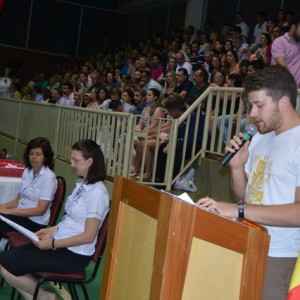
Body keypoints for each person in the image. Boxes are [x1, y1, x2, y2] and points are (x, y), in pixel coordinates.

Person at [197, 65, 300, 300]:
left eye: (259, 105)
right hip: (248, 241)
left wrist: (238, 211)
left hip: (280, 255)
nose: (252, 114)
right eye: (250, 106)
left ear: (283, 102)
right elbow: (244, 198)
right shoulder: (260, 138)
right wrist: (237, 168)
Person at [0, 139, 110, 300]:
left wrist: (52, 243)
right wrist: (51, 230)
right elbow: (72, 221)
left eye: (75, 160)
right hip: (60, 243)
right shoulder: (83, 185)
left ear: (90, 161)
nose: (71, 164)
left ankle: (46, 297)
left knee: (7, 264)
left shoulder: (97, 193)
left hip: (73, 255)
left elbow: (88, 236)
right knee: (4, 262)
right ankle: (43, 298)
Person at [0, 137, 57, 239]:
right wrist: (2, 206)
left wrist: (9, 211)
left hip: (34, 222)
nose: (34, 157)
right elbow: (17, 201)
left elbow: (40, 210)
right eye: (31, 153)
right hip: (20, 215)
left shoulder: (49, 177)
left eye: (38, 154)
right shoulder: (27, 171)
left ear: (45, 157)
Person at [271, 13, 300, 87]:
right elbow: (281, 63)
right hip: (280, 89)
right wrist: (292, 84)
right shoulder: (280, 41)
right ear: (293, 27)